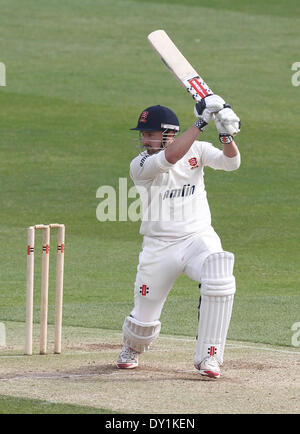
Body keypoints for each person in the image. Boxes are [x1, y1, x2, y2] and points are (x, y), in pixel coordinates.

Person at [116, 95, 241, 378]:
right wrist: (202, 121)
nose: (145, 140)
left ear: (169, 133)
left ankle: (210, 357)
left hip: (198, 237)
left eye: (150, 134)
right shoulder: (140, 165)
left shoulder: (198, 149)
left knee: (220, 271)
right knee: (143, 323)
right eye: (143, 134)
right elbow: (170, 158)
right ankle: (132, 347)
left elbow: (231, 163)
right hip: (159, 247)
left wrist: (225, 134)